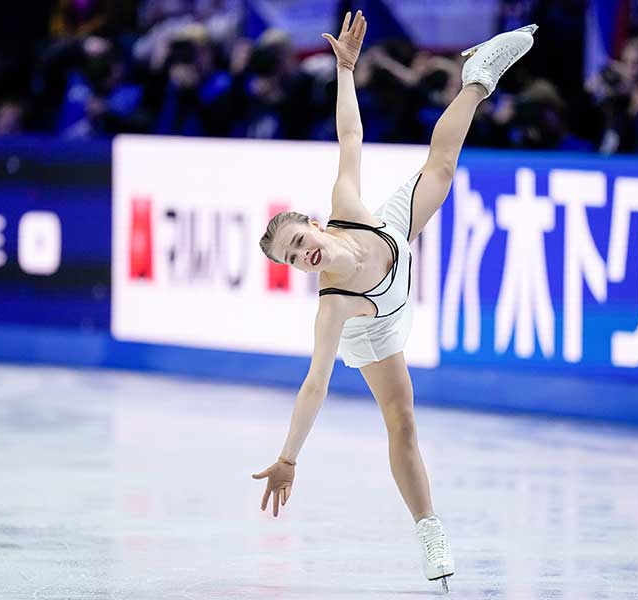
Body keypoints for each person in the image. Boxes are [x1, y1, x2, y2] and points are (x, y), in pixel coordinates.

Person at [251, 10, 537, 591]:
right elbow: (315, 385)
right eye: (291, 259)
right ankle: (429, 529)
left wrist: (347, 71)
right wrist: (288, 457)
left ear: (313, 223)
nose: (303, 255)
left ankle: (478, 79)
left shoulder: (344, 202)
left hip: (387, 235)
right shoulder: (333, 308)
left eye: (300, 241)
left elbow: (350, 136)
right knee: (402, 421)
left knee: (442, 165)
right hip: (374, 324)